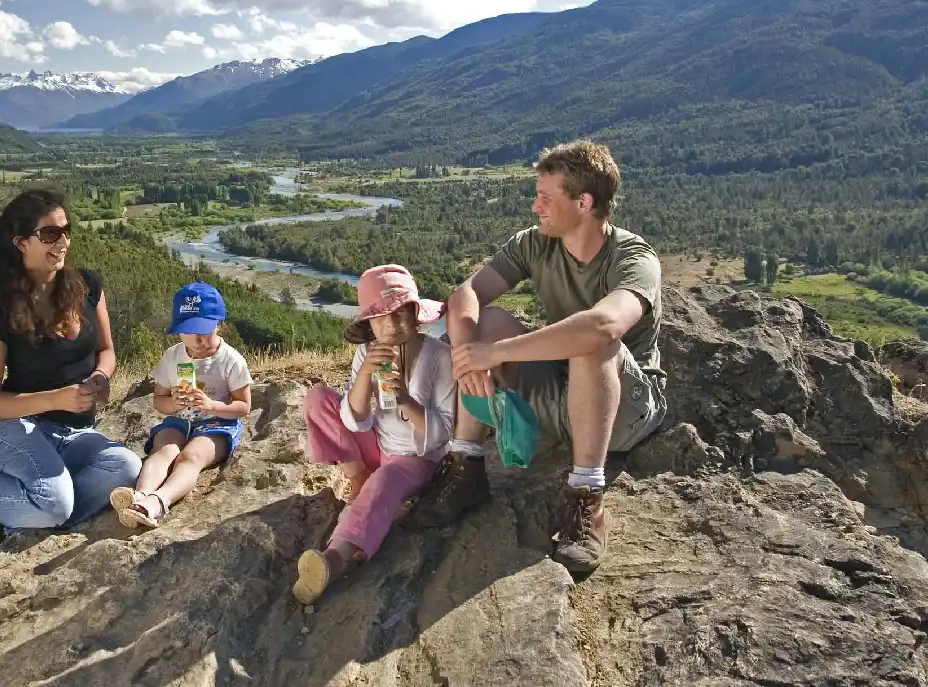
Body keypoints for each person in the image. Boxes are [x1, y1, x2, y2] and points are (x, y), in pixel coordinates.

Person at [409, 141, 668, 573]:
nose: (535, 206)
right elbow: (466, 295)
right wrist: (470, 356)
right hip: (563, 396)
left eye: (546, 198)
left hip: (626, 412)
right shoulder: (536, 244)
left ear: (583, 202)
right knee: (484, 321)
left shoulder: (633, 258)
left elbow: (605, 326)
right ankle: (465, 466)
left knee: (591, 340)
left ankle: (587, 498)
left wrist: (498, 353)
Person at [0, 188, 142, 556]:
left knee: (126, 466)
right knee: (56, 503)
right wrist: (56, 398)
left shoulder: (87, 287)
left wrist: (101, 377)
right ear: (21, 243)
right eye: (49, 234)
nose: (62, 241)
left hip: (76, 432)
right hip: (20, 431)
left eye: (66, 230)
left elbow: (107, 352)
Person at [292, 265, 456, 605]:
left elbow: (444, 434)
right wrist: (366, 375)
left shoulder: (440, 358)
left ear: (415, 313)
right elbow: (355, 421)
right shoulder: (367, 353)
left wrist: (407, 401)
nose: (392, 325)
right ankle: (358, 478)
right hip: (377, 443)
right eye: (381, 318)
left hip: (416, 457)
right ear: (369, 323)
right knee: (318, 399)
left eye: (400, 314)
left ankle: (335, 558)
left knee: (385, 483)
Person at [110, 282, 253, 529]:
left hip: (217, 425)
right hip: (180, 420)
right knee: (163, 449)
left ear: (219, 323)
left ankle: (158, 502)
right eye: (188, 331)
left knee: (191, 457)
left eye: (203, 330)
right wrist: (173, 403)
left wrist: (213, 406)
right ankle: (140, 496)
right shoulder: (173, 356)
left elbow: (244, 406)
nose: (196, 339)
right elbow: (159, 401)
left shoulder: (231, 360)